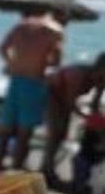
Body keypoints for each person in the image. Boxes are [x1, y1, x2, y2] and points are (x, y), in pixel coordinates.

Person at [0, 10, 63, 171]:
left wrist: (12, 63)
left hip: (15, 78)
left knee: (5, 126)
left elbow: (2, 48)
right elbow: (56, 59)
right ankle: (16, 165)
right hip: (34, 81)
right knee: (25, 130)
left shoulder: (21, 26)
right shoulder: (55, 30)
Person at [41, 53, 105, 183]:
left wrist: (97, 121)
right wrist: (86, 116)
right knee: (56, 131)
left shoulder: (101, 79)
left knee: (62, 132)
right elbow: (69, 103)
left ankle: (48, 167)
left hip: (64, 96)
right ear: (98, 67)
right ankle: (46, 170)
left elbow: (95, 104)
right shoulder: (78, 74)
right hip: (49, 90)